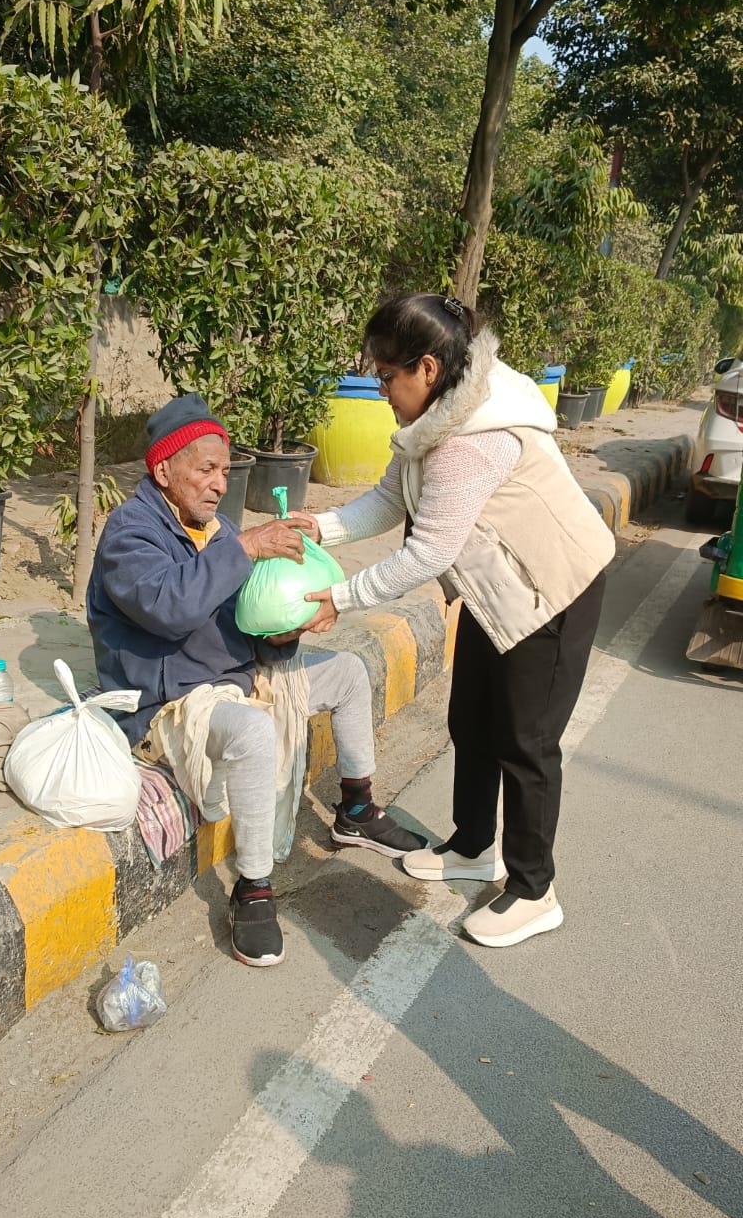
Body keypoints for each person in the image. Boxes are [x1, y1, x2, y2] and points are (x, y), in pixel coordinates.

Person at [302, 292, 616, 948]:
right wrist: (322, 528)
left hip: (552, 589)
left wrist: (341, 597)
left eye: (387, 375)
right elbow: (393, 495)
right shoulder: (435, 418)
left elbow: (429, 552)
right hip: (498, 590)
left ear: (427, 368)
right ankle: (474, 846)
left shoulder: (473, 440)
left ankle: (534, 890)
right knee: (471, 720)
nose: (379, 386)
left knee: (526, 743)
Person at [87, 393, 423, 968]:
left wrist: (283, 627)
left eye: (224, 470)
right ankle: (255, 887)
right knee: (253, 732)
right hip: (169, 700)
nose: (219, 484)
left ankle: (356, 809)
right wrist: (246, 547)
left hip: (232, 677)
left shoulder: (213, 529)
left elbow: (239, 619)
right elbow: (170, 608)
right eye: (205, 469)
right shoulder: (129, 533)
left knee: (345, 671)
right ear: (163, 470)